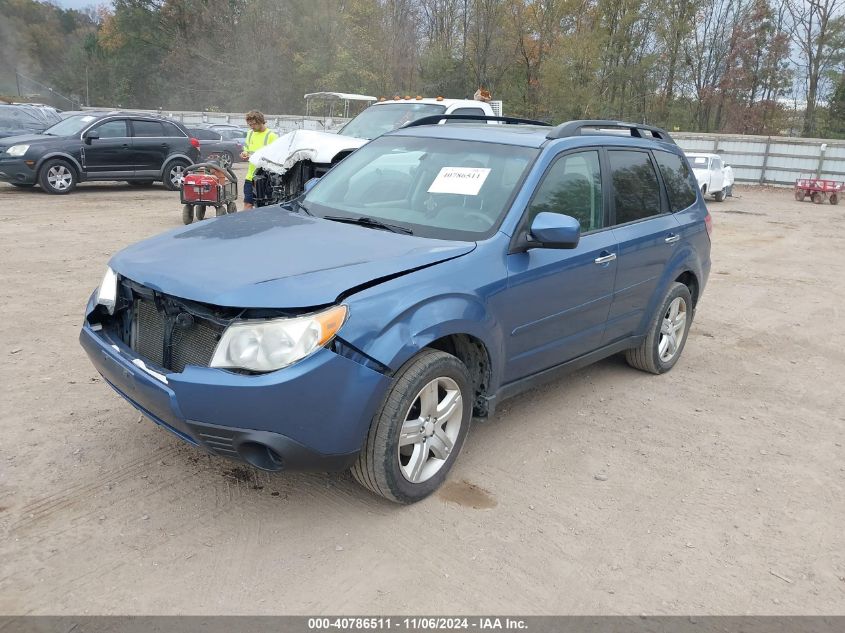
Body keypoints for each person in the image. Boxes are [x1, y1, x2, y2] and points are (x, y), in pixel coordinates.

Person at [241, 110, 278, 209]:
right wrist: (244, 153)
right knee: (248, 203)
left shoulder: (271, 136)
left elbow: (275, 158)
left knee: (263, 206)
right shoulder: (250, 134)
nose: (252, 127)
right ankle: (247, 224)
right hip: (250, 176)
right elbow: (247, 149)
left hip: (265, 178)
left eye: (253, 124)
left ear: (261, 122)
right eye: (250, 125)